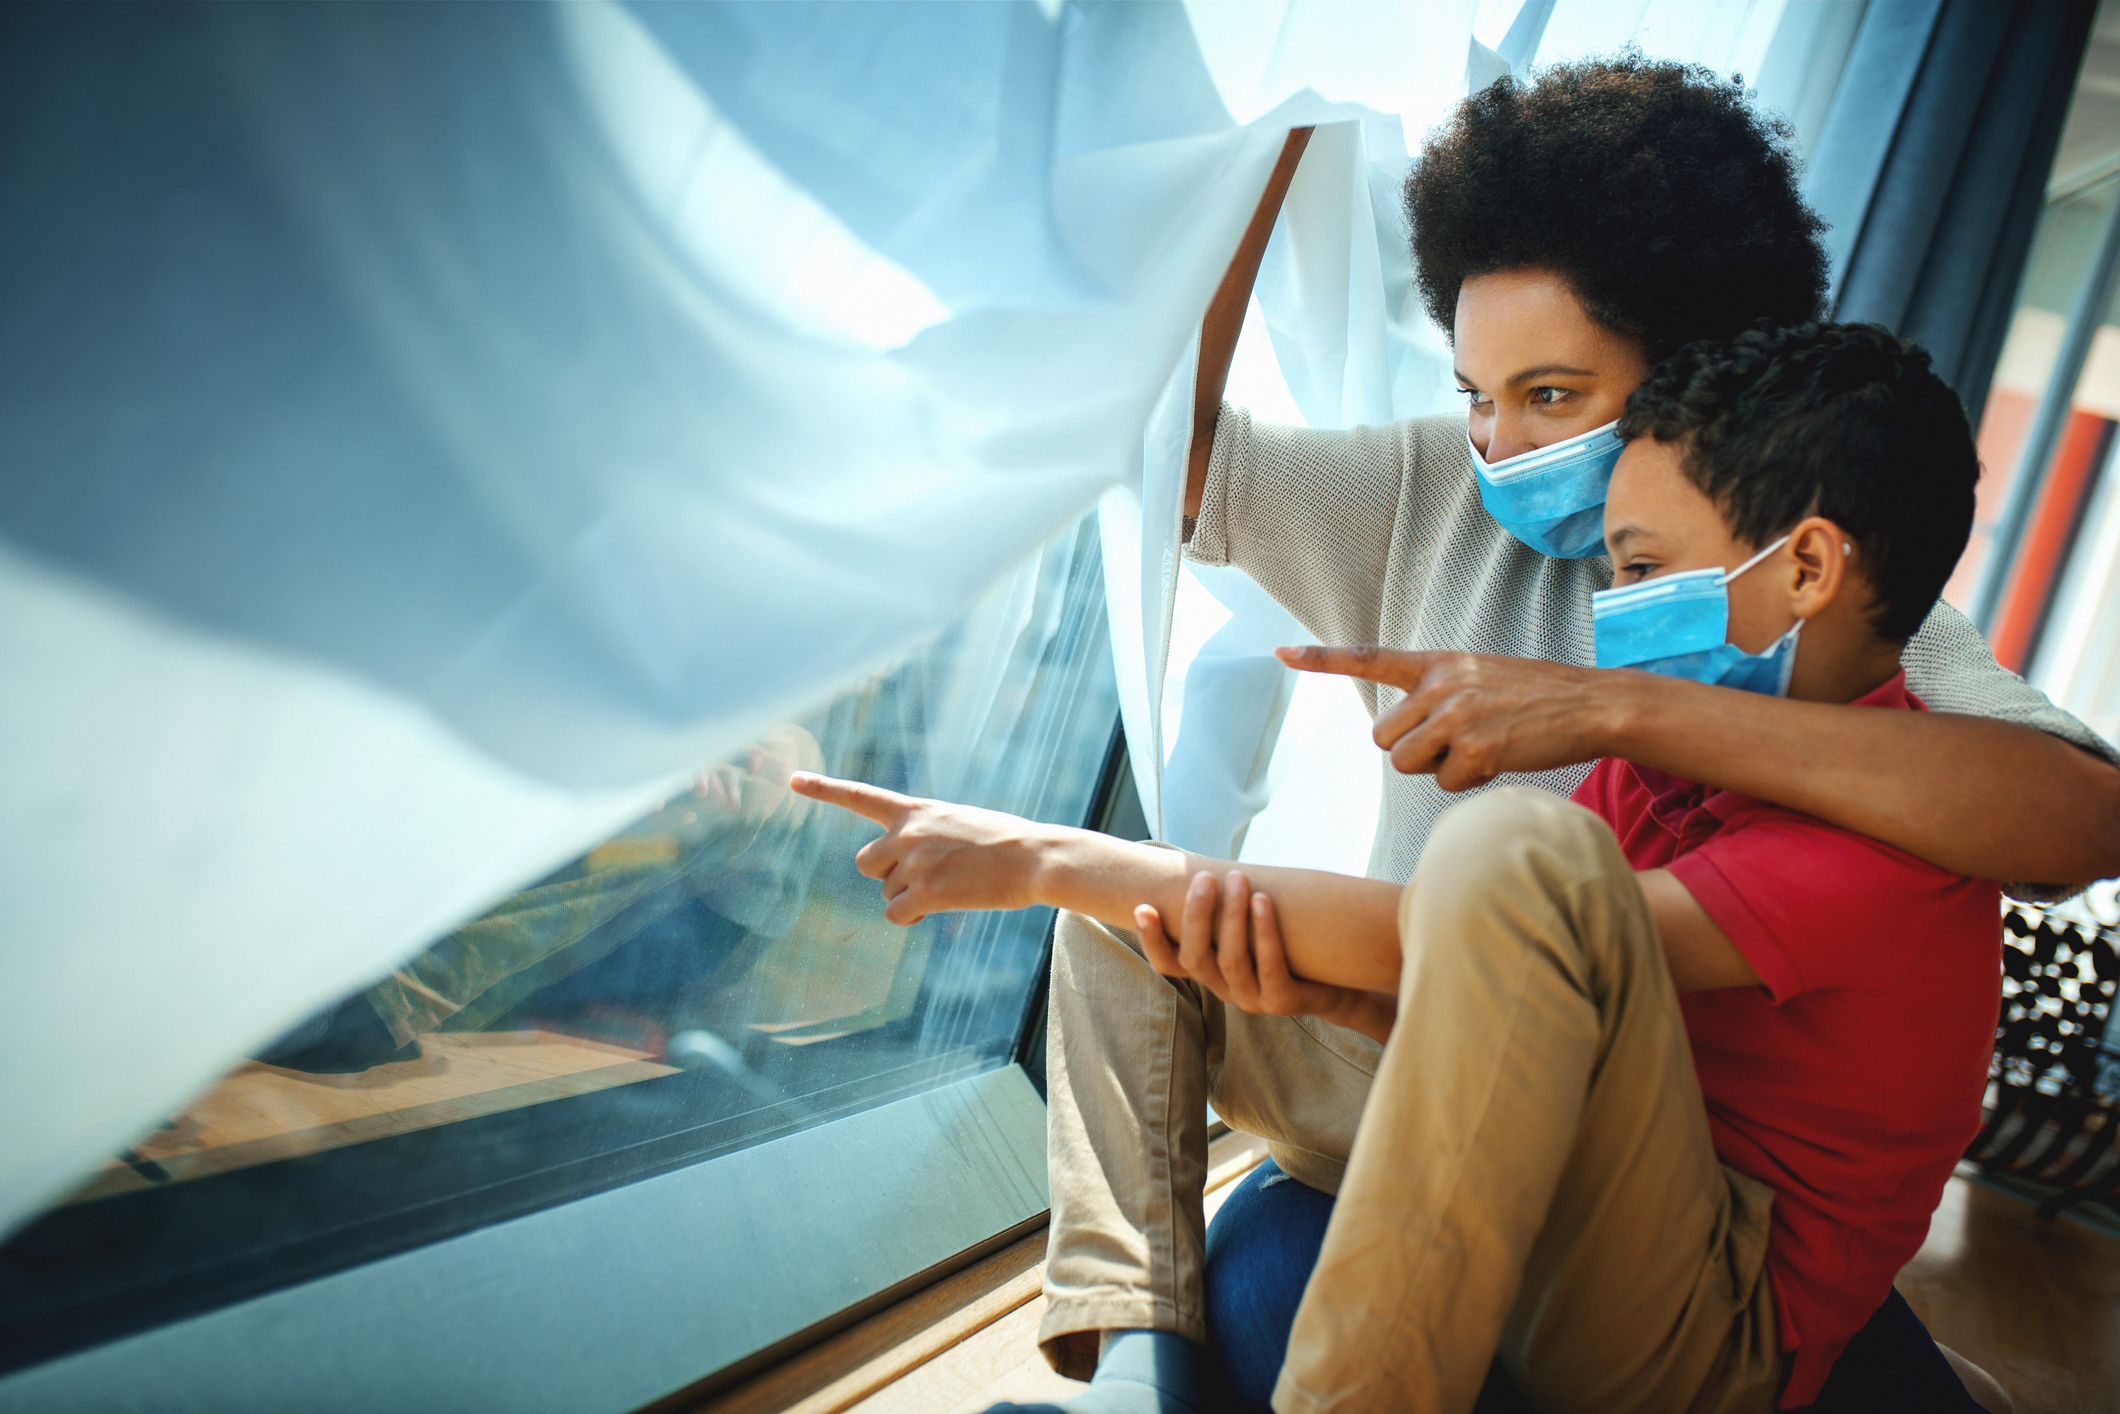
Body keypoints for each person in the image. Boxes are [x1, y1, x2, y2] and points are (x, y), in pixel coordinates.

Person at [1015, 55, 2118, 1413]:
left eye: (1551, 396)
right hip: (1424, 1047)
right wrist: (1264, 150)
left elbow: (2076, 813)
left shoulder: (1807, 605)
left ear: (1691, 367)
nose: (1499, 442)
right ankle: (1130, 1376)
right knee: (1125, 916)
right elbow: (1165, 455)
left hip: (1658, 1175)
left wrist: (1616, 702)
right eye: (1479, 392)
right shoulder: (1431, 486)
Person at [790, 319, 2005, 1410]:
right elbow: (1505, 1005)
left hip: (1703, 1322)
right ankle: (1133, 1369)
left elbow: (1477, 936)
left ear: (1803, 567)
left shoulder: (1894, 849)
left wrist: (1047, 849)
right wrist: (1316, 994)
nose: (1613, 605)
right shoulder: (1668, 765)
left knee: (1506, 845)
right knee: (1123, 920)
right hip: (1567, 1158)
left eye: (1639, 570)